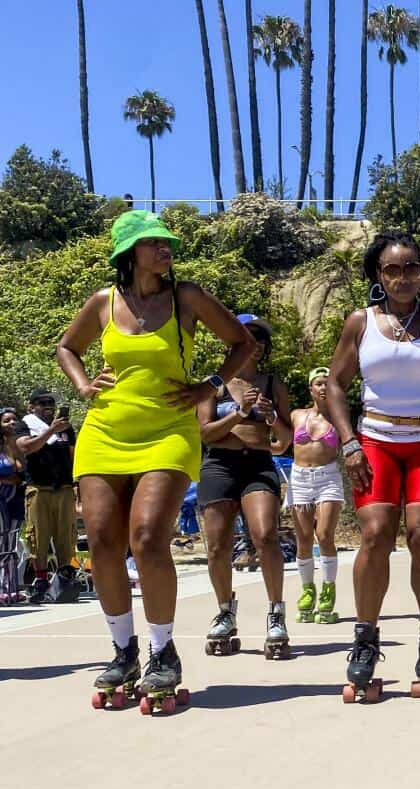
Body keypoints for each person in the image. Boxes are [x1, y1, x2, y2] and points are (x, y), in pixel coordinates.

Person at [58, 209, 255, 709]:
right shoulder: (102, 302)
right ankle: (123, 650)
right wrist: (83, 384)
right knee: (103, 540)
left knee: (146, 538)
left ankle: (162, 651)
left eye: (168, 242)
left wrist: (208, 386)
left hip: (169, 431)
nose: (165, 248)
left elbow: (242, 342)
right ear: (129, 252)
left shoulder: (186, 297)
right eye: (154, 242)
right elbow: (67, 347)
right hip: (104, 430)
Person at [326, 231, 420, 701]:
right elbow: (335, 385)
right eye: (392, 269)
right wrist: (349, 443)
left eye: (410, 267)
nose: (402, 277)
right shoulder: (360, 322)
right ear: (378, 274)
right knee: (374, 532)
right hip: (375, 438)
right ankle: (365, 639)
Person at [197, 314, 294, 658]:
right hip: (219, 464)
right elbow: (205, 432)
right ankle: (225, 610)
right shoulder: (214, 384)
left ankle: (276, 613)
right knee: (218, 546)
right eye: (246, 337)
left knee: (265, 534)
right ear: (232, 343)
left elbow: (286, 439)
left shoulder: (272, 384)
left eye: (259, 338)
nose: (254, 344)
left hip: (257, 463)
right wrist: (239, 413)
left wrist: (268, 417)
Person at [289, 367, 345, 625]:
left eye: (327, 383)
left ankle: (329, 588)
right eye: (318, 384)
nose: (323, 388)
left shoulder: (338, 418)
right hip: (300, 478)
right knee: (302, 539)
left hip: (327, 477)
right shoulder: (296, 415)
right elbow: (280, 440)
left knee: (324, 534)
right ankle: (308, 589)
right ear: (310, 388)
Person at [14, 389, 77, 603]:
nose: (48, 406)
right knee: (38, 537)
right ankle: (41, 582)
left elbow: (72, 453)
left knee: (66, 536)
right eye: (42, 403)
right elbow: (25, 447)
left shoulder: (65, 426)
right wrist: (51, 431)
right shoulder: (25, 424)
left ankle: (64, 580)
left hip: (65, 488)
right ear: (32, 407)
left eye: (51, 402)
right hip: (39, 489)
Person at [1, 408, 26, 604]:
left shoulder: (15, 445)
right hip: (1, 500)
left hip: (15, 500)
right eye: (6, 420)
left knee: (11, 545)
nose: (12, 423)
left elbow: (21, 472)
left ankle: (10, 589)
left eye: (14, 420)